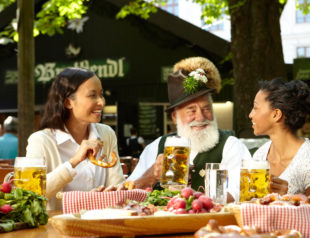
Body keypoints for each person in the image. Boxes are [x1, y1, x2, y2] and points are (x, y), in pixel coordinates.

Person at [128, 57, 251, 202]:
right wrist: (151, 176)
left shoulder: (231, 146)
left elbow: (243, 194)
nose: (200, 117)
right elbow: (128, 194)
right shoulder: (156, 147)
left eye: (206, 108)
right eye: (191, 110)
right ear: (174, 117)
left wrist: (196, 199)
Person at [26, 68, 125, 210]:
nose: (101, 102)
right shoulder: (41, 141)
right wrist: (74, 161)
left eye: (101, 95)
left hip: (101, 224)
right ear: (68, 103)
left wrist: (115, 192)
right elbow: (31, 196)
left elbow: (117, 186)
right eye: (92, 96)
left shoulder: (106, 134)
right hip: (55, 228)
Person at [249, 78, 310, 205]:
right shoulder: (260, 155)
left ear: (276, 114)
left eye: (256, 108)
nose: (251, 115)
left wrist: (288, 199)